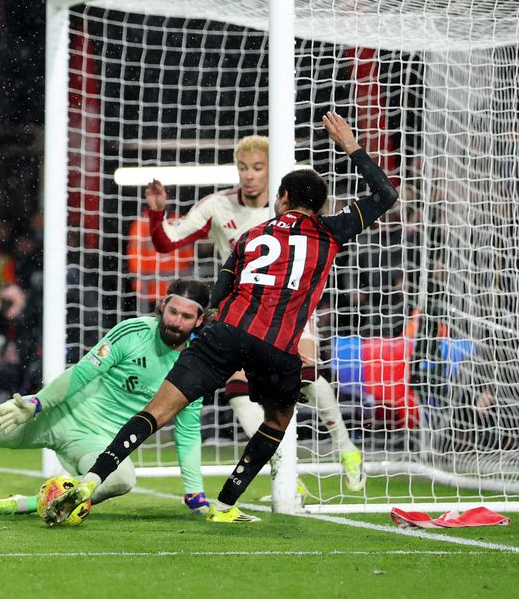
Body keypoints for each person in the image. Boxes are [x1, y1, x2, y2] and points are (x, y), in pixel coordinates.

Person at [47, 113, 397, 525]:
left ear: (280, 195)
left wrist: (208, 326)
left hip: (225, 332)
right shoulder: (328, 230)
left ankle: (90, 480)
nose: (249, 176)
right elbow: (385, 195)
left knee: (158, 410)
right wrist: (351, 146)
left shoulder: (250, 235)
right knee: (279, 419)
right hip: (275, 340)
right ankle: (228, 503)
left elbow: (221, 287)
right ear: (317, 204)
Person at [0, 280, 212, 521]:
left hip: (96, 443)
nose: (176, 322)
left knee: (123, 479)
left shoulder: (192, 367)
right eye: (172, 311)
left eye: (185, 316)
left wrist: (195, 496)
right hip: (56, 410)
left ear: (199, 320)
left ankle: (25, 505)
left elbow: (188, 432)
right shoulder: (134, 332)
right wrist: (39, 403)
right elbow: (81, 374)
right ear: (163, 306)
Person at [146, 134, 364, 490]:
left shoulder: (294, 210)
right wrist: (157, 213)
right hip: (243, 314)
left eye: (257, 168)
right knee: (238, 392)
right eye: (243, 167)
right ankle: (283, 471)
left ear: (271, 172)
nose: (248, 175)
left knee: (306, 378)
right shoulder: (217, 206)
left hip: (291, 310)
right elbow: (167, 243)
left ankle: (346, 448)